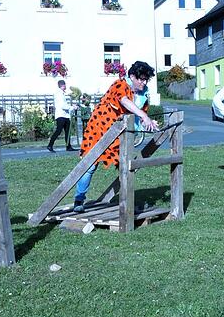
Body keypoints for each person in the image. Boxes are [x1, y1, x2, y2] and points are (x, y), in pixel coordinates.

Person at [73, 62, 160, 212]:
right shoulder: (119, 84)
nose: (143, 83)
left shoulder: (143, 93)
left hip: (119, 132)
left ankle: (127, 202)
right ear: (132, 76)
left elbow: (138, 113)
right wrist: (144, 115)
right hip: (99, 129)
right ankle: (79, 200)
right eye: (141, 79)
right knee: (90, 165)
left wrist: (148, 121)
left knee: (125, 165)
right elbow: (124, 101)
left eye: (146, 80)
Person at [47, 79, 76, 152]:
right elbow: (63, 105)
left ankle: (68, 146)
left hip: (65, 115)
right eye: (65, 85)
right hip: (61, 115)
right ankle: (50, 145)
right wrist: (72, 107)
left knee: (67, 132)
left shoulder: (61, 93)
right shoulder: (59, 94)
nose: (65, 86)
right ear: (63, 85)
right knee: (58, 131)